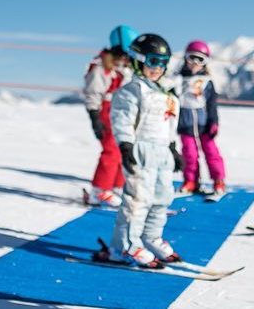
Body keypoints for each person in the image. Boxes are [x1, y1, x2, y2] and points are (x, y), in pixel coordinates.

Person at [99, 33, 185, 268]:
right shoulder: (132, 90)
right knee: (138, 200)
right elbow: (122, 119)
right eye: (153, 61)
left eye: (163, 62)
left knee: (162, 198)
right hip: (141, 151)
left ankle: (151, 237)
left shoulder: (167, 92)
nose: (158, 68)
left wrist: (173, 148)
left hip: (162, 152)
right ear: (138, 61)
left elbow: (169, 124)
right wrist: (126, 146)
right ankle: (124, 246)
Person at [82, 25, 138, 207]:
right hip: (106, 111)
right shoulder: (101, 68)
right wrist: (94, 117)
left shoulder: (124, 68)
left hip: (122, 112)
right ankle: (99, 190)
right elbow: (93, 93)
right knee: (111, 151)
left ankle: (117, 187)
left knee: (124, 148)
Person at [174, 40, 226, 196]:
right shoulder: (178, 80)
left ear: (205, 62)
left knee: (211, 152)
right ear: (185, 58)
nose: (195, 63)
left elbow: (212, 104)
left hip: (204, 125)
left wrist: (214, 122)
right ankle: (191, 181)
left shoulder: (207, 82)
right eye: (192, 58)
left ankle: (218, 180)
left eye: (200, 59)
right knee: (189, 154)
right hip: (185, 124)